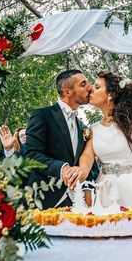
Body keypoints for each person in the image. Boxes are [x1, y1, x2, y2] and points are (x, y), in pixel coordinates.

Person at [70, 72, 132, 210]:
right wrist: (82, 169)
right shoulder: (94, 129)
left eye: (97, 87)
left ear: (110, 95)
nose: (91, 89)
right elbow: (87, 155)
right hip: (107, 193)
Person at [24, 70, 96, 209]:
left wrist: (86, 185)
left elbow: (88, 163)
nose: (89, 87)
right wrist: (61, 168)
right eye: (83, 84)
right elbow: (30, 155)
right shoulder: (42, 115)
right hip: (43, 199)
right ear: (68, 92)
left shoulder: (83, 127)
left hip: (75, 201)